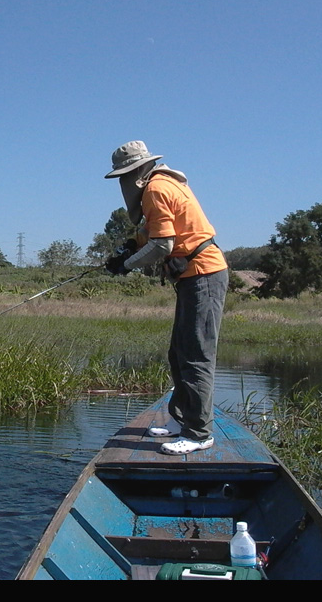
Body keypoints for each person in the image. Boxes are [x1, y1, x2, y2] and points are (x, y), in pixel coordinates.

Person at [104, 140, 229, 455]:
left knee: (196, 357)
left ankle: (199, 434)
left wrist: (126, 266)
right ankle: (181, 419)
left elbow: (163, 245)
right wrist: (131, 246)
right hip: (192, 277)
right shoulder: (160, 184)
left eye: (123, 175)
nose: (122, 182)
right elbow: (154, 232)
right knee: (179, 353)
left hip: (204, 274)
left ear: (136, 171)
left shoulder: (155, 188)